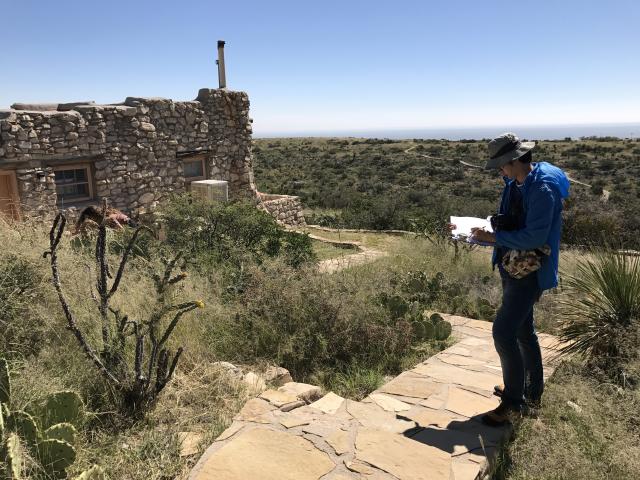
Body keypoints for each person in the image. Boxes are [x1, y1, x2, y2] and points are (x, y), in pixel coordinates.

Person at [470, 132, 570, 426]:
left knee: (503, 332)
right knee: (524, 333)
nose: (499, 171)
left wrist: (494, 237)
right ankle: (530, 392)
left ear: (514, 161)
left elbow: (536, 235)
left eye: (501, 165)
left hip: (530, 270)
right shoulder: (517, 181)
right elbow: (512, 219)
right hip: (513, 265)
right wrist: (475, 229)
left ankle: (513, 402)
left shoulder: (542, 188)